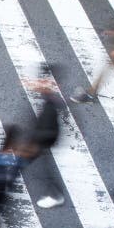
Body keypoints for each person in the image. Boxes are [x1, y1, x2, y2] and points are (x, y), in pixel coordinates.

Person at [24, 76, 65, 208]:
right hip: (39, 140)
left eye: (42, 81)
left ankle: (55, 195)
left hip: (41, 141)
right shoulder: (50, 100)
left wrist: (34, 143)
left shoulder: (50, 107)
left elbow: (49, 131)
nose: (37, 84)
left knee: (44, 168)